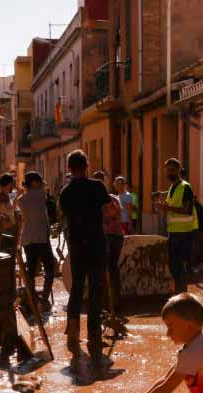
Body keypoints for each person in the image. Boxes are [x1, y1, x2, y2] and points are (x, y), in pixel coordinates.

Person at [59, 150, 110, 370]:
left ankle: (73, 335)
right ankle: (94, 336)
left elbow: (63, 216)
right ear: (87, 165)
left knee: (77, 288)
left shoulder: (65, 192)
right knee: (96, 290)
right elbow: (110, 211)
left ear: (69, 168)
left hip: (77, 246)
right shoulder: (97, 187)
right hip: (97, 244)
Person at [154, 158, 201, 292]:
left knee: (179, 266)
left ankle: (182, 294)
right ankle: (180, 293)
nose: (170, 172)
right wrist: (163, 208)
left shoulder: (185, 187)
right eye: (168, 170)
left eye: (173, 170)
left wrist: (168, 208)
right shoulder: (172, 187)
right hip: (174, 232)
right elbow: (171, 209)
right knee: (174, 266)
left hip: (184, 233)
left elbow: (187, 210)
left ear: (179, 170)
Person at [15, 171, 56, 312]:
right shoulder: (40, 194)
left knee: (31, 271)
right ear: (34, 183)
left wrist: (23, 190)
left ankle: (31, 299)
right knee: (50, 267)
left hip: (28, 238)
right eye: (38, 181)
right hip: (40, 238)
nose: (41, 184)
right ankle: (44, 299)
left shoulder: (21, 199)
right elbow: (45, 187)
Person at [95, 171, 125, 311]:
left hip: (110, 237)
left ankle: (111, 303)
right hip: (113, 237)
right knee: (111, 269)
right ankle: (111, 302)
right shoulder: (110, 198)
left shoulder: (109, 199)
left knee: (109, 269)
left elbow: (114, 214)